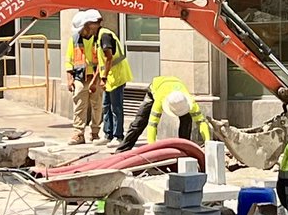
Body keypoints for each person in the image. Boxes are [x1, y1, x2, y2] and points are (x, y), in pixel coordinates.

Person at [115, 75, 210, 152]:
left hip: (175, 87)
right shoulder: (159, 101)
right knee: (140, 122)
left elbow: (201, 122)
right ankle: (122, 150)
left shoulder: (189, 101)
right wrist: (152, 148)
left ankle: (184, 149)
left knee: (186, 119)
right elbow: (152, 125)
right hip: (154, 89)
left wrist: (208, 143)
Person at [85, 13, 134, 147]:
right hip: (109, 77)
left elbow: (109, 58)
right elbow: (101, 63)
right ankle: (108, 134)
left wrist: (103, 78)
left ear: (93, 24)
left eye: (87, 25)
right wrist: (95, 81)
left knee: (116, 107)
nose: (86, 29)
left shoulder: (104, 36)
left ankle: (118, 136)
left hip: (116, 76)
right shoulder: (98, 37)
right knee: (106, 106)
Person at [66, 11, 105, 144]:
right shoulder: (74, 39)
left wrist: (96, 80)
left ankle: (95, 133)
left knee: (97, 106)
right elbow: (69, 60)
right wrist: (69, 78)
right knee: (79, 106)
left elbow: (102, 61)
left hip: (96, 76)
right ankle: (78, 134)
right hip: (80, 77)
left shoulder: (98, 38)